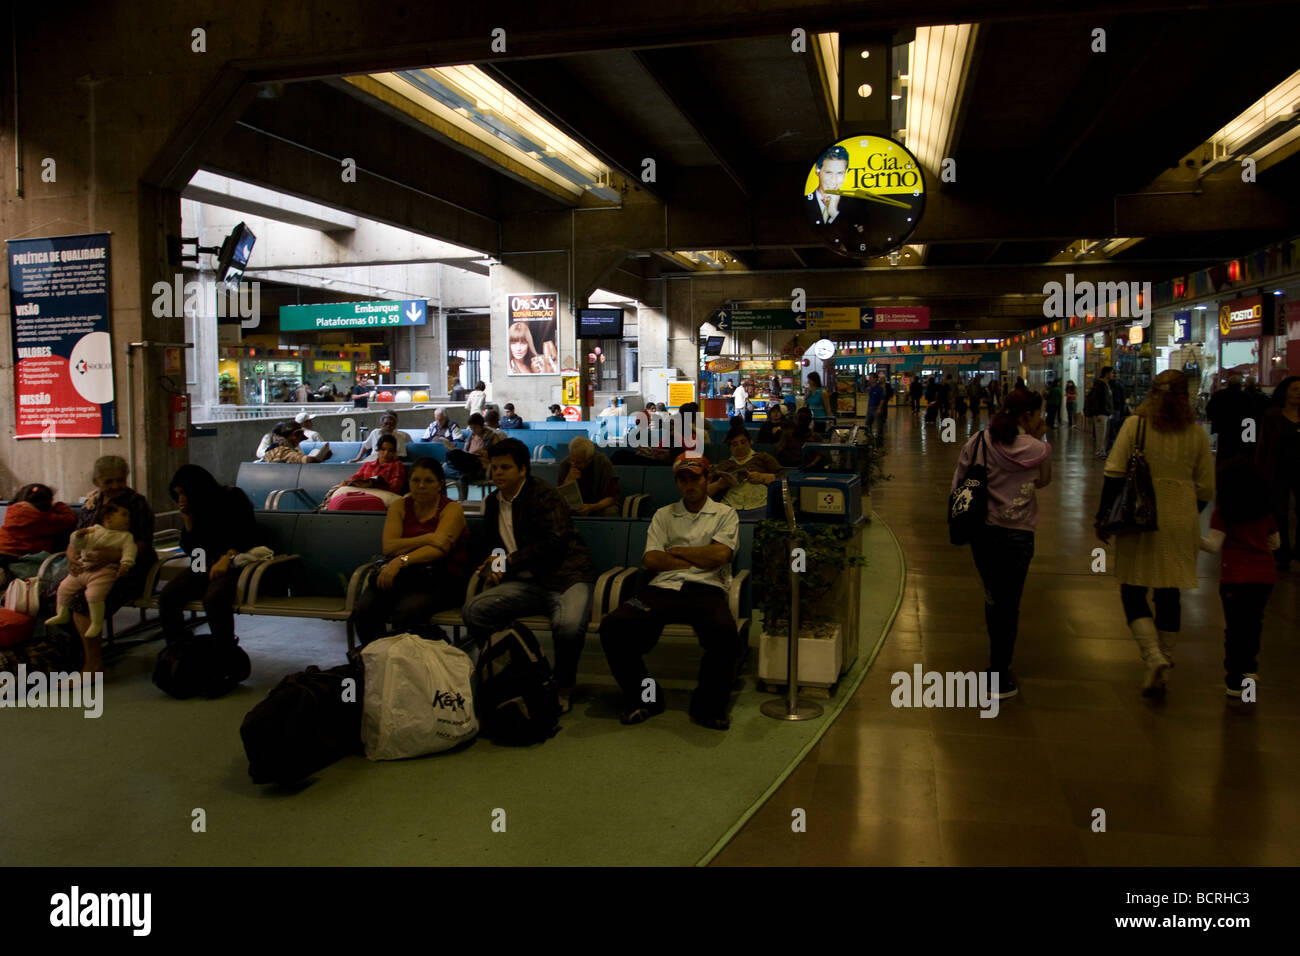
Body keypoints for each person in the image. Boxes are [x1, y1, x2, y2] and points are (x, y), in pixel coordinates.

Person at [600, 454, 741, 729]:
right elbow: (652, 560)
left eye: (695, 478)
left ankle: (708, 706)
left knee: (724, 632)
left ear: (707, 478)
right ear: (677, 482)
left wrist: (675, 551)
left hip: (706, 588)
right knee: (613, 626)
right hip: (662, 588)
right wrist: (700, 556)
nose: (690, 484)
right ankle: (646, 698)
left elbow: (721, 554)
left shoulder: (726, 514)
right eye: (683, 479)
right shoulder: (663, 515)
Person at [1095, 370, 1214, 696]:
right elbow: (1206, 487)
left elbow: (1114, 473)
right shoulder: (1196, 434)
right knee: (1169, 591)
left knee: (1133, 590)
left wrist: (1104, 516)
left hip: (1139, 518)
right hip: (1182, 519)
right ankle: (1166, 660)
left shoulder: (1137, 425)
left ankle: (1153, 656)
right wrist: (1187, 512)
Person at [462, 439, 597, 714]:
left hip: (566, 577)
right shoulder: (491, 503)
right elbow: (494, 546)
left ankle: (562, 686)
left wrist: (510, 561)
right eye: (495, 467)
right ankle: (510, 670)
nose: (497, 473)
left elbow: (556, 541)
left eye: (505, 467)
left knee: (569, 627)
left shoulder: (545, 495)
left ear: (522, 470)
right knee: (475, 610)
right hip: (527, 583)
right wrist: (494, 569)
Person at [950, 388, 1051, 699]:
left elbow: (958, 484)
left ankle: (997, 666)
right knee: (1011, 601)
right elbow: (1044, 481)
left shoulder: (979, 441)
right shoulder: (1038, 449)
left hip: (985, 532)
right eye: (1038, 414)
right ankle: (1000, 670)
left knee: (994, 596)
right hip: (1019, 534)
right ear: (1027, 416)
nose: (1041, 419)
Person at [352, 457, 470, 646]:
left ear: (440, 484)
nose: (421, 486)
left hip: (441, 578)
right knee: (365, 611)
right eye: (416, 480)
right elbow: (389, 547)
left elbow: (439, 550)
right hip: (402, 575)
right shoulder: (400, 506)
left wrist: (401, 559)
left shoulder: (451, 509)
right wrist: (428, 537)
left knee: (406, 612)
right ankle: (375, 660)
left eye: (428, 481)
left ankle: (404, 665)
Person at [60, 456, 157, 653]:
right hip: (90, 568)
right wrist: (72, 558)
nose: (115, 486)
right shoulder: (92, 502)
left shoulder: (136, 503)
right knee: (51, 596)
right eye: (108, 481)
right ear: (97, 482)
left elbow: (143, 544)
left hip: (128, 568)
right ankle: (78, 651)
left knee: (82, 603)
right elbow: (77, 537)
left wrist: (111, 557)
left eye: (120, 480)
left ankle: (93, 663)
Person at [158, 464, 258, 654]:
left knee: (213, 597)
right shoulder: (195, 509)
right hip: (204, 561)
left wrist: (227, 557)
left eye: (184, 493)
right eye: (178, 494)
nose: (181, 499)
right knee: (168, 596)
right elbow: (193, 551)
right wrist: (188, 521)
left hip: (236, 563)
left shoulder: (233, 497)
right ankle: (178, 651)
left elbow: (247, 535)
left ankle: (224, 652)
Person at [1200, 459, 1279, 697]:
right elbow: (1276, 543)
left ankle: (1234, 679)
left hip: (1235, 577)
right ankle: (1250, 667)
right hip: (1264, 577)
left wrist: (1191, 538)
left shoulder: (1224, 513)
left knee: (1235, 627)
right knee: (1254, 622)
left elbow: (1214, 545)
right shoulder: (1265, 514)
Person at [45, 500, 137, 646]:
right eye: (124, 515)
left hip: (105, 571)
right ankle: (61, 614)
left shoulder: (125, 537)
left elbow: (130, 551)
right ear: (108, 518)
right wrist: (78, 536)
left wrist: (126, 564)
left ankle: (96, 622)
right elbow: (77, 544)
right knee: (63, 588)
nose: (128, 519)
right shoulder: (93, 530)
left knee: (94, 595)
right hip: (83, 569)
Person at [1256, 375, 1300, 568]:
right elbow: (1263, 444)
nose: (1298, 394)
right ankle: (1283, 552)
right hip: (1278, 469)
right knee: (1279, 512)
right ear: (1285, 392)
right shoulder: (1273, 415)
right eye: (1295, 389)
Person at [804, 144, 872, 256]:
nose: (834, 180)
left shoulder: (856, 207)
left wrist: (834, 213)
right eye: (828, 172)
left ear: (846, 173)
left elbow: (861, 245)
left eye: (840, 173)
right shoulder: (805, 203)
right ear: (817, 170)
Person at [710, 420, 783, 516]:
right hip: (730, 508)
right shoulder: (724, 465)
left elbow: (783, 476)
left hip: (761, 505)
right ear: (730, 447)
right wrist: (719, 485)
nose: (740, 447)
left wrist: (763, 477)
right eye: (735, 444)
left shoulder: (762, 457)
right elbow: (706, 492)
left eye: (743, 442)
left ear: (750, 442)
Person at [0, 483, 76, 562]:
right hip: (16, 558)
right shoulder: (40, 518)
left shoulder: (12, 511)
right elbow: (69, 519)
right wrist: (58, 505)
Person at [558, 437, 620, 516]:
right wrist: (567, 481)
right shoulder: (565, 464)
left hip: (598, 505)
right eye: (572, 460)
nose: (574, 464)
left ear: (589, 459)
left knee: (610, 512)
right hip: (573, 506)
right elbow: (559, 497)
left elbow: (611, 498)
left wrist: (592, 507)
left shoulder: (603, 464)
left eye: (579, 462)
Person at [1206, 374, 1255, 462]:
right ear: (1240, 385)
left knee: (1223, 454)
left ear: (1228, 384)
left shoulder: (1219, 395)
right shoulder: (1246, 397)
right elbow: (1250, 416)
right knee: (1238, 455)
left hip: (1224, 430)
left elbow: (1209, 410)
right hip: (1240, 431)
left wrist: (1216, 422)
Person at [341, 434, 406, 494]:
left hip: (382, 496)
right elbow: (354, 479)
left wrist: (374, 484)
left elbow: (395, 488)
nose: (386, 453)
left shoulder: (397, 465)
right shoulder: (367, 465)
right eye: (383, 449)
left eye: (390, 451)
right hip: (362, 494)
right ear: (378, 449)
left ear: (394, 453)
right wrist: (347, 482)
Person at [446, 412, 500, 479]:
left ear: (482, 426)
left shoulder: (492, 437)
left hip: (481, 463)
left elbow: (498, 456)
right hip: (469, 462)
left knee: (450, 468)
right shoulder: (470, 437)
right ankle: (464, 476)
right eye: (471, 428)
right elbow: (465, 452)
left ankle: (463, 476)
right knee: (450, 456)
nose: (473, 430)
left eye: (475, 428)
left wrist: (483, 453)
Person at [264, 423, 332, 463]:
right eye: (300, 437)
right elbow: (298, 458)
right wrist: (318, 458)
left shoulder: (282, 449)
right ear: (294, 436)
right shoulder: (280, 451)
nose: (300, 441)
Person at [1086, 368, 1115, 459]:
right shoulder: (1099, 385)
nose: (1113, 375)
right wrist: (1097, 413)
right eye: (1112, 373)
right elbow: (1096, 400)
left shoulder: (1106, 384)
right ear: (1106, 374)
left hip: (1106, 413)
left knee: (1104, 433)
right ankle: (1100, 452)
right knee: (1100, 433)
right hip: (1101, 413)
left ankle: (1102, 451)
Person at [1107, 370, 1127, 454]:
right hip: (1116, 409)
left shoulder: (1108, 385)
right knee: (1113, 429)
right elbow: (1123, 399)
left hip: (1112, 409)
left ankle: (1110, 447)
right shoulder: (1119, 385)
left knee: (1111, 429)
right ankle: (1111, 447)